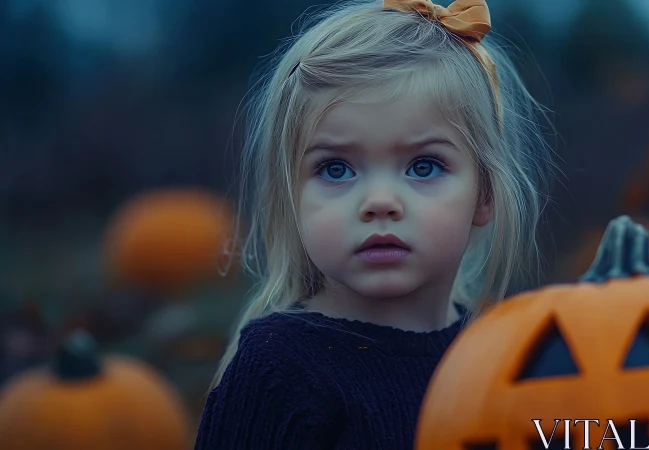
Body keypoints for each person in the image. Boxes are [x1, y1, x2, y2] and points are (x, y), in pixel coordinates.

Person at [195, 0, 554, 448]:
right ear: (292, 197)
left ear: (484, 195)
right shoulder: (279, 368)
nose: (379, 202)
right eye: (336, 169)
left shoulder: (501, 356)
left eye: (423, 166)